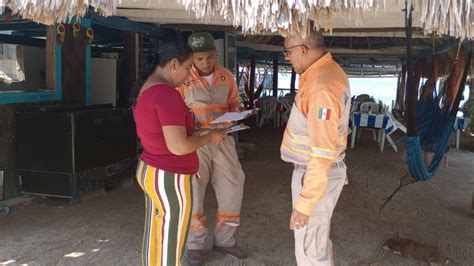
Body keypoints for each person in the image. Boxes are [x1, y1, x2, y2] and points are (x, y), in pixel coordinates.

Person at [131, 41, 227, 266]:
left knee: (156, 234)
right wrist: (209, 139)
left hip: (152, 170)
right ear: (174, 64)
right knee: (170, 240)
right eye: (187, 68)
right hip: (170, 177)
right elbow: (178, 147)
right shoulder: (166, 94)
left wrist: (199, 132)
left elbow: (164, 132)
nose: (188, 76)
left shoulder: (147, 88)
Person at [280, 30, 351, 265]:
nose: (287, 57)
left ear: (302, 49)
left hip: (315, 176)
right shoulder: (323, 74)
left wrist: (306, 202)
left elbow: (321, 153)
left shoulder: (321, 86)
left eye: (287, 51)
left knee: (310, 250)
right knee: (318, 241)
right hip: (318, 174)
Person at [177, 32, 247, 265]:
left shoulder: (226, 76)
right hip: (196, 141)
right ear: (191, 58)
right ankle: (194, 245)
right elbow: (175, 111)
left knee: (233, 184)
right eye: (199, 59)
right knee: (194, 190)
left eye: (209, 57)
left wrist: (237, 112)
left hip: (223, 138)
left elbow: (234, 101)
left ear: (216, 54)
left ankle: (225, 240)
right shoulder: (183, 79)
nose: (205, 62)